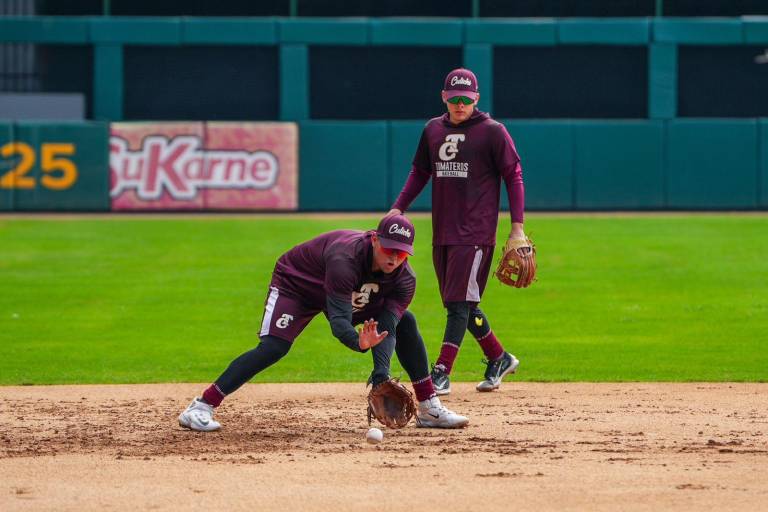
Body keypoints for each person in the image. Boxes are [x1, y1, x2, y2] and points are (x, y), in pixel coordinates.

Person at [179, 214, 468, 431]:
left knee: (406, 321)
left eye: (402, 252)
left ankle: (429, 406)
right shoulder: (345, 259)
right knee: (273, 347)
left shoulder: (405, 279)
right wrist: (357, 343)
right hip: (298, 284)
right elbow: (339, 321)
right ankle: (201, 406)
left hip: (346, 288)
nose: (394, 258)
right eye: (389, 249)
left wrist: (381, 375)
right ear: (375, 239)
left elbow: (387, 325)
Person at [386, 68, 526, 396]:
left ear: (476, 99)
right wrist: (398, 207)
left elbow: (513, 176)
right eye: (454, 99)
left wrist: (516, 227)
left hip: (476, 233)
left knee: (458, 306)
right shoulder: (433, 130)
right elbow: (420, 171)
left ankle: (441, 372)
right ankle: (498, 357)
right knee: (462, 302)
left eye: (466, 99)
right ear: (444, 98)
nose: (460, 104)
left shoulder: (493, 132)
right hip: (443, 231)